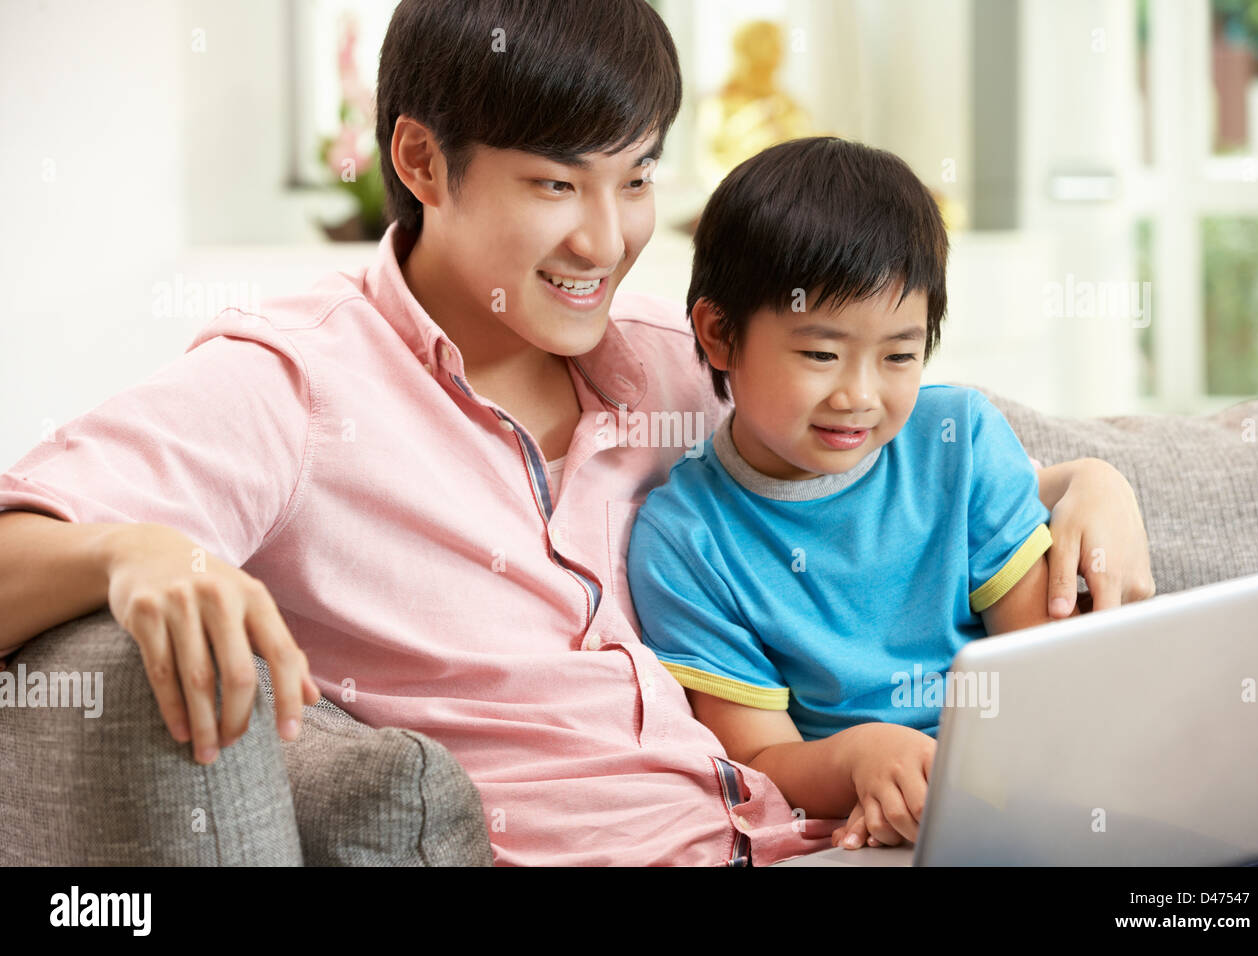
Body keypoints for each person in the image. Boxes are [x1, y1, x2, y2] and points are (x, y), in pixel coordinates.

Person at [0, 0, 1155, 866]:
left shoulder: (664, 350)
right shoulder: (290, 385)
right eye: (557, 185)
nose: (608, 240)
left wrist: (1080, 478)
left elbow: (875, 444)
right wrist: (127, 549)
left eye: (637, 176)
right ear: (419, 162)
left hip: (808, 839)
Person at [628, 136, 1094, 854]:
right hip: (871, 831)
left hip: (1032, 792)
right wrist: (861, 756)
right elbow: (759, 761)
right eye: (820, 354)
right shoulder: (686, 537)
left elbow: (1047, 669)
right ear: (719, 335)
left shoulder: (960, 441)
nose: (860, 396)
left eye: (900, 355)